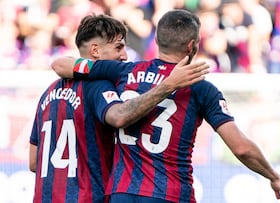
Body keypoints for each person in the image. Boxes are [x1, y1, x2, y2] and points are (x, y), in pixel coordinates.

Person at [51, 9, 280, 203]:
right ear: (192, 45)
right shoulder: (201, 88)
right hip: (171, 193)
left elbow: (61, 65)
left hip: (122, 193)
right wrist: (273, 176)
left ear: (156, 40)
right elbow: (241, 148)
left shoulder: (125, 71)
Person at [29, 14, 209, 203]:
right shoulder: (99, 87)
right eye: (119, 47)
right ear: (95, 51)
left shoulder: (48, 94)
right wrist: (167, 86)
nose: (124, 55)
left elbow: (34, 161)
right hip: (88, 197)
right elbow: (119, 116)